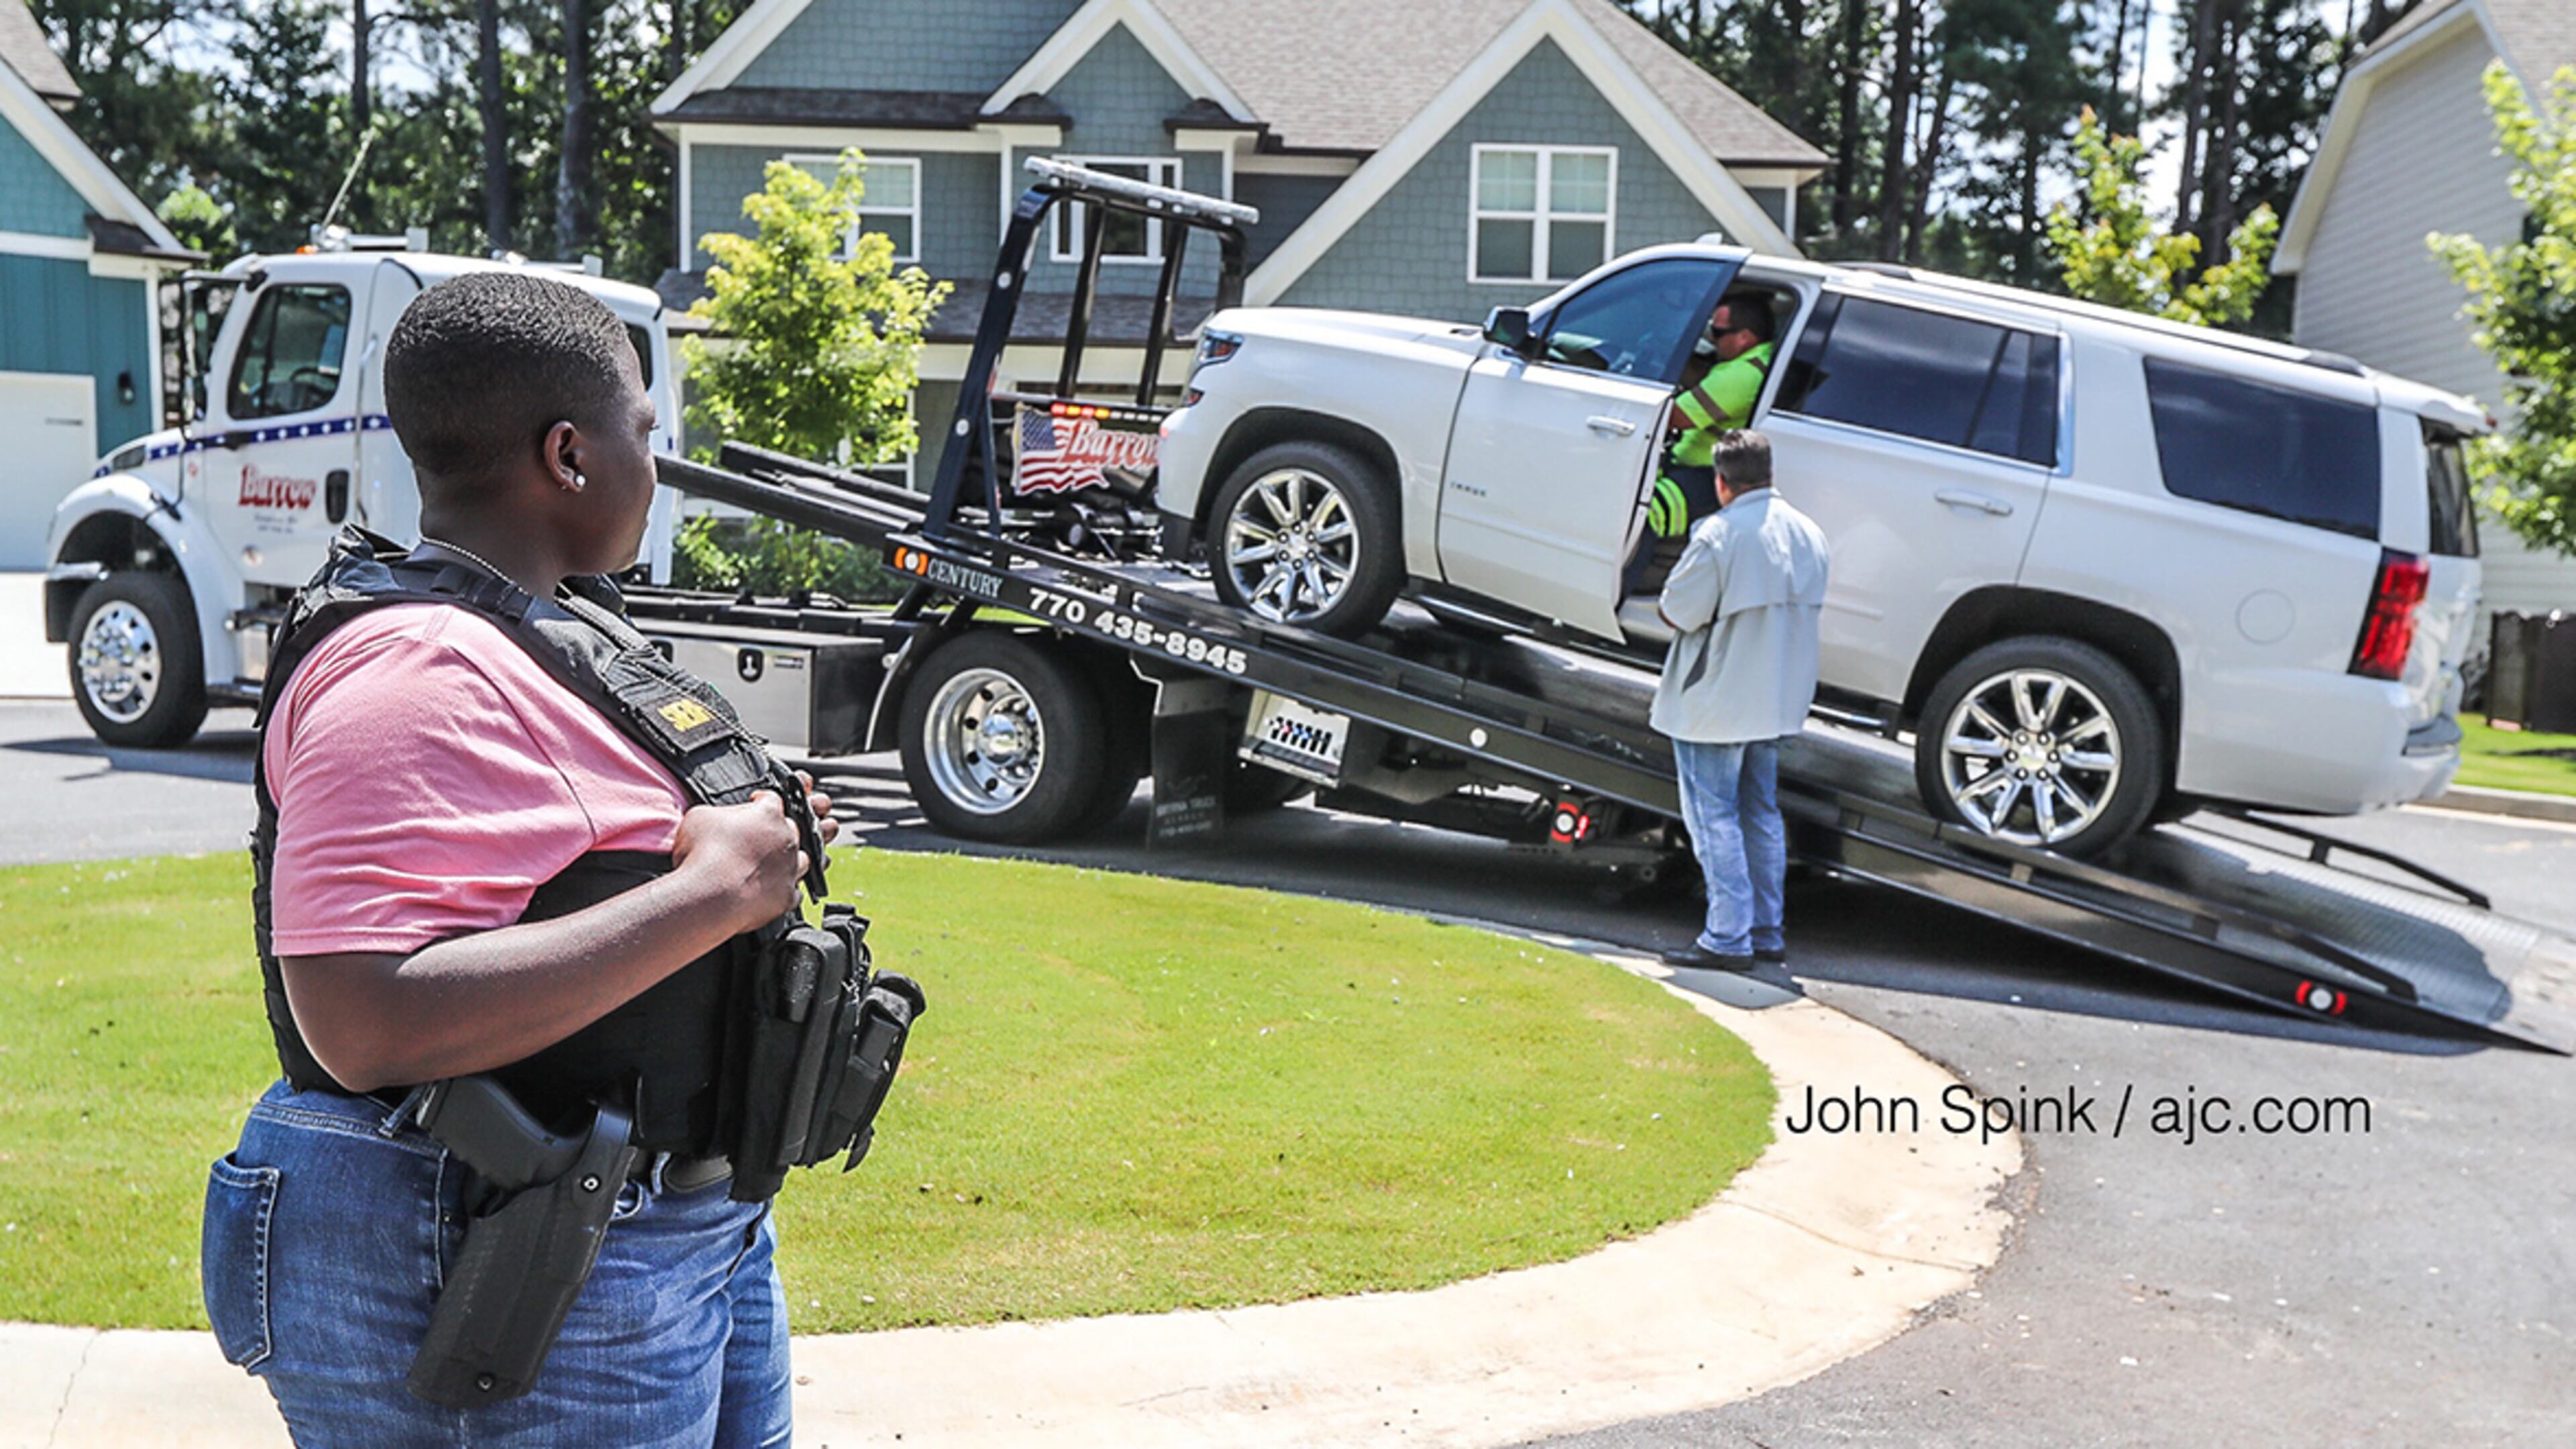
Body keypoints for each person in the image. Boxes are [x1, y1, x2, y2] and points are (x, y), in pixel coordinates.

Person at [199, 271, 839, 1446]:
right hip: (502, 1245)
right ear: (569, 456)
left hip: (666, 1230)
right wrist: (709, 892)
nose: (658, 461)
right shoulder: (415, 668)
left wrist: (749, 841)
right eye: (643, 431)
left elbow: (564, 850)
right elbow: (359, 1017)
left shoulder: (547, 626)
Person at [1652, 429, 1829, 972]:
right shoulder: (1809, 533)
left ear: (1720, 482)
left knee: (1713, 817)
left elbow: (1677, 611)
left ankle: (1727, 938)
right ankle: (1764, 930)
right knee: (1760, 812)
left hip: (1718, 699)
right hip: (1777, 698)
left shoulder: (1718, 535)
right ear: (1770, 474)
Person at [1628, 294, 1779, 596]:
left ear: (1745, 338)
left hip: (1706, 476)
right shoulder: (1755, 360)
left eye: (1719, 333)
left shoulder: (1741, 375)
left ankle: (1618, 593)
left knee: (1640, 512)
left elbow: (1671, 417)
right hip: (1700, 468)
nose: (1712, 338)